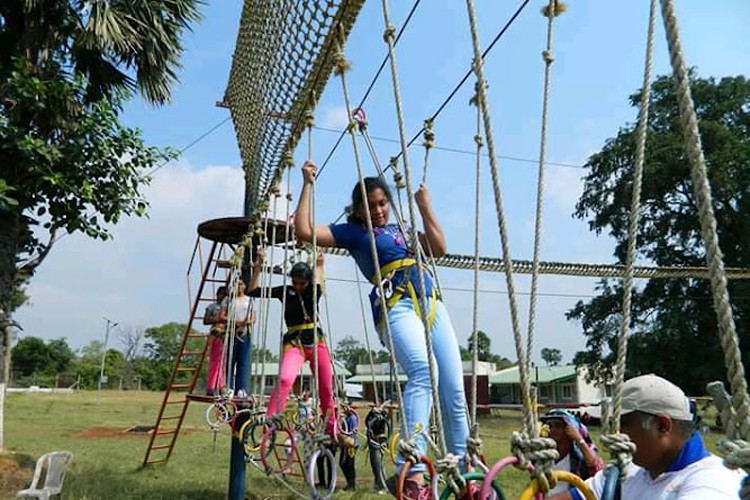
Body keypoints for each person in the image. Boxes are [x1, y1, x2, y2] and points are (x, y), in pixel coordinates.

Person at [294, 160, 469, 498]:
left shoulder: (402, 229)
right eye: (370, 206)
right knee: (423, 369)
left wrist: (425, 207)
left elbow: (439, 248)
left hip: (431, 301)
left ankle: (465, 473)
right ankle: (414, 469)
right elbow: (304, 230)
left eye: (382, 203)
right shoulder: (355, 233)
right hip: (396, 304)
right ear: (358, 210)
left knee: (453, 389)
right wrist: (307, 185)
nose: (378, 210)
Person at [550, 374, 743, 500]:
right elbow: (573, 497)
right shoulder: (630, 472)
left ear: (662, 426)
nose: (613, 435)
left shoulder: (713, 481)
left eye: (623, 424)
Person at [248, 250, 336, 435]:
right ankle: (271, 419)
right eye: (294, 282)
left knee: (326, 387)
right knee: (285, 378)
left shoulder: (314, 290)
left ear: (308, 281)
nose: (297, 286)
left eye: (301, 283)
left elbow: (319, 271)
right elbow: (253, 291)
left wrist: (319, 264)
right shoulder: (284, 291)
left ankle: (331, 426)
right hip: (294, 342)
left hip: (315, 340)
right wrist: (258, 266)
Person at [539, 408, 604, 495]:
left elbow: (596, 468)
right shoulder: (546, 452)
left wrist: (578, 439)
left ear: (570, 429)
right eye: (550, 426)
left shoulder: (580, 453)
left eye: (558, 426)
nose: (552, 430)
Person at [218, 278, 255, 398]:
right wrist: (235, 321)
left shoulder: (249, 300)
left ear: (244, 286)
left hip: (245, 332)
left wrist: (247, 322)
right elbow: (222, 316)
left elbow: (253, 317)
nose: (239, 286)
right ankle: (229, 387)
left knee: (243, 361)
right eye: (236, 284)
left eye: (241, 284)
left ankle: (242, 388)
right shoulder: (228, 300)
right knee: (230, 360)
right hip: (232, 332)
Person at [204, 286, 228, 396]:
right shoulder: (212, 307)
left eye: (225, 294)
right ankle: (212, 386)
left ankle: (220, 385)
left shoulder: (229, 307)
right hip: (216, 334)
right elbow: (206, 320)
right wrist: (218, 318)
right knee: (215, 362)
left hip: (225, 335)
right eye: (221, 294)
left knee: (221, 363)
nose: (222, 296)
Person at [337, 401, 360, 491]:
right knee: (343, 464)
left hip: (351, 444)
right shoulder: (346, 418)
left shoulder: (353, 418)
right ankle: (349, 483)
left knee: (349, 464)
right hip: (345, 443)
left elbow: (352, 432)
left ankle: (352, 485)